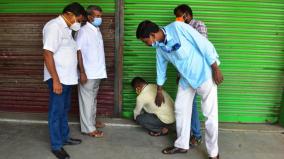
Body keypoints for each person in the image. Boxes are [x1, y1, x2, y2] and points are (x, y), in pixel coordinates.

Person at [136, 20, 223, 159]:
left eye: (145, 41)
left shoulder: (178, 28)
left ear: (152, 35)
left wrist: (216, 68)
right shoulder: (159, 48)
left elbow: (203, 44)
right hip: (185, 79)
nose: (145, 44)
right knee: (180, 109)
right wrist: (159, 90)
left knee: (210, 116)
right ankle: (182, 145)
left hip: (203, 74)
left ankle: (214, 153)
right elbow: (161, 68)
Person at [42, 2, 85, 159]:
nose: (78, 23)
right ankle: (56, 145)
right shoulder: (54, 26)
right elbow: (47, 54)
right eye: (78, 20)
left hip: (67, 79)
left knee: (64, 110)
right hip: (58, 79)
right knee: (56, 112)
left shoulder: (67, 29)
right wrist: (56, 80)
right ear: (69, 14)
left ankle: (64, 137)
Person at [174, 4, 209, 147]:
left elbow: (201, 47)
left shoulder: (199, 25)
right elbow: (179, 54)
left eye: (179, 16)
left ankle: (197, 135)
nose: (177, 19)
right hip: (185, 74)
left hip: (198, 73)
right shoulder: (179, 29)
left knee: (203, 106)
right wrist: (179, 74)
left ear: (186, 15)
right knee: (188, 106)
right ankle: (189, 136)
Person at [76, 5, 107, 138]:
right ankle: (88, 128)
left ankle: (91, 121)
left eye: (101, 16)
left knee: (92, 99)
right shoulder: (83, 31)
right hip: (88, 73)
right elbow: (78, 51)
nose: (100, 18)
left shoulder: (97, 30)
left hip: (97, 72)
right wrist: (82, 72)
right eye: (97, 16)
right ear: (89, 17)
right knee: (86, 100)